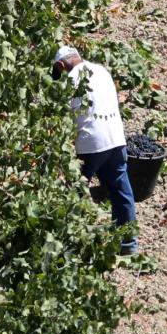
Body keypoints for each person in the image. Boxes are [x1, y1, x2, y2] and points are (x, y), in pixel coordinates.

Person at [54, 43, 137, 256]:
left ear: (62, 65)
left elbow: (65, 118)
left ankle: (69, 243)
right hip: (116, 138)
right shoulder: (102, 71)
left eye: (59, 71)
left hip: (91, 143)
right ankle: (127, 243)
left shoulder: (72, 80)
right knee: (121, 190)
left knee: (73, 191)